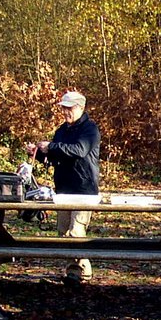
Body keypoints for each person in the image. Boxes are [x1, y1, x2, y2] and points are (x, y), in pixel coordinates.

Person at [26, 91, 102, 285]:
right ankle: (78, 270)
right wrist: (41, 154)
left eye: (69, 108)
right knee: (63, 232)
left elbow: (79, 150)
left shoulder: (90, 130)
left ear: (80, 108)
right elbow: (56, 157)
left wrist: (51, 146)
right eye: (64, 108)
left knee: (76, 232)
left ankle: (77, 273)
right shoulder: (61, 130)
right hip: (63, 189)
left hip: (84, 189)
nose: (66, 112)